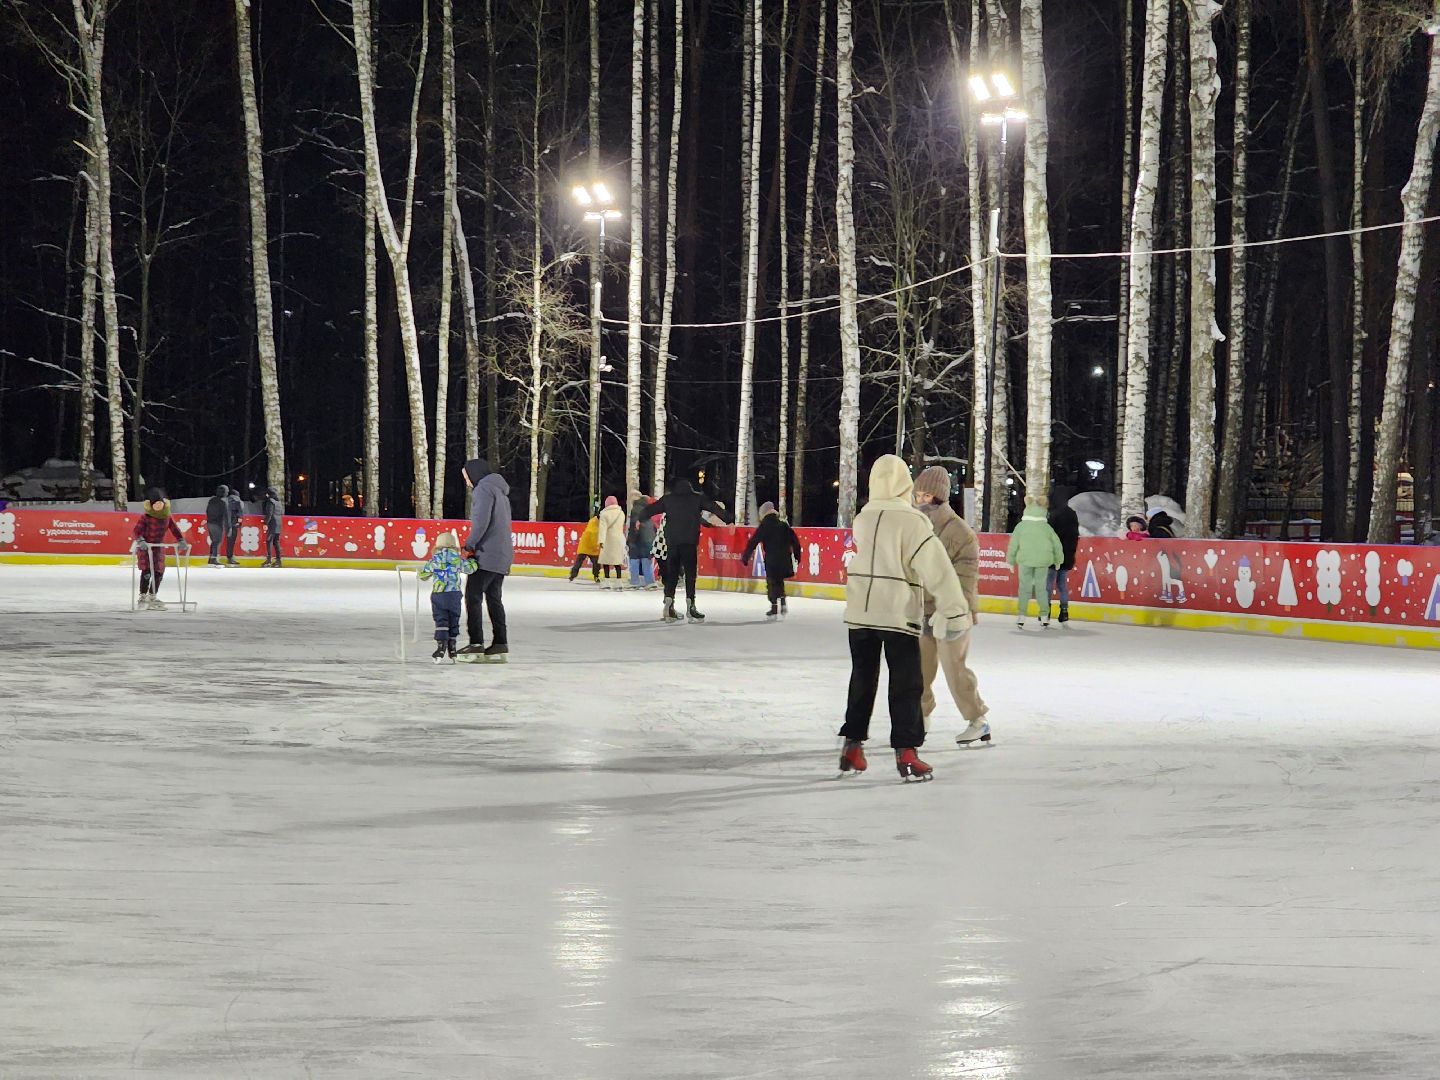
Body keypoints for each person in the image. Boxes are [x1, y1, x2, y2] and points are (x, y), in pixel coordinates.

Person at [838, 456, 971, 782]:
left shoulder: (862, 519)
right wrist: (955, 610)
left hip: (860, 614)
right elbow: (937, 569)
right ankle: (907, 753)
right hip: (897, 614)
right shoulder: (912, 522)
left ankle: (852, 747)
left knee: (862, 680)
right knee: (906, 684)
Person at [911, 466, 990, 747]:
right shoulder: (913, 525)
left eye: (927, 494)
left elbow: (967, 577)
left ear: (940, 497)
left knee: (954, 669)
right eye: (917, 493)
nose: (920, 499)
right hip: (923, 612)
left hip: (952, 613)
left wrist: (956, 611)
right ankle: (920, 717)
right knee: (919, 671)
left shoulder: (959, 531)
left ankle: (978, 720)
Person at [638, 476, 732, 623]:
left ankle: (669, 603)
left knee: (672, 575)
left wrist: (640, 518)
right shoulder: (697, 498)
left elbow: (649, 510)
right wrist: (729, 519)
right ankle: (691, 606)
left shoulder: (668, 499)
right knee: (690, 575)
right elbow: (713, 507)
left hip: (672, 542)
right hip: (689, 542)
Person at [458, 459, 514, 661]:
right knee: (493, 598)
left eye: (466, 477)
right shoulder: (499, 491)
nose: (467, 482)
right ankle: (500, 642)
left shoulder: (483, 490)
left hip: (488, 554)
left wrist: (469, 546)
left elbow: (481, 522)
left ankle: (476, 643)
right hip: (502, 554)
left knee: (472, 596)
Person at [418, 530, 477, 663]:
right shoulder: (457, 559)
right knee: (453, 619)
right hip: (454, 595)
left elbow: (423, 575)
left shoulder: (434, 560)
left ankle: (441, 646)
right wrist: (473, 560)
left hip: (438, 595)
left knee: (441, 620)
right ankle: (453, 647)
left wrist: (427, 574)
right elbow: (470, 569)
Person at [1006, 494, 1063, 629]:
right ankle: (1044, 617)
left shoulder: (1021, 526)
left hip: (1025, 560)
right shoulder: (1046, 527)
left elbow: (1013, 545)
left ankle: (1021, 616)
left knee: (1024, 588)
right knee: (1041, 589)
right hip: (1043, 561)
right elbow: (1057, 544)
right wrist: (1058, 560)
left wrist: (1010, 561)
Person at [741, 501, 802, 619]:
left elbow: (753, 541)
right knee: (780, 580)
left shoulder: (764, 526)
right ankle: (783, 600)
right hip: (784, 559)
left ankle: (774, 607)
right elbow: (795, 542)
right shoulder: (783, 525)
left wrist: (746, 556)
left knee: (772, 582)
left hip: (772, 560)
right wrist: (797, 556)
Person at [132, 489, 189, 610]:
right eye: (155, 504)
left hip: (158, 548)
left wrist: (181, 540)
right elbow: (136, 531)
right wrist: (141, 540)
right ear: (151, 505)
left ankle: (152, 596)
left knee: (159, 572)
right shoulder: (146, 517)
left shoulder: (167, 516)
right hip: (146, 548)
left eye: (160, 503)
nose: (158, 506)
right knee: (147, 572)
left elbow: (175, 529)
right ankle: (142, 596)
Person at [1047, 491, 1081, 624]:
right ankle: (1064, 611)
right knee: (1062, 584)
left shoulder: (1054, 515)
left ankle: (1046, 611)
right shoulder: (1072, 514)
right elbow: (1075, 535)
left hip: (1053, 555)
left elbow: (1049, 535)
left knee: (1048, 584)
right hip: (1067, 554)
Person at [597, 495, 628, 588]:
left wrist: (601, 541)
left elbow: (602, 529)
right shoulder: (621, 513)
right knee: (617, 561)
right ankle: (619, 582)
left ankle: (607, 581)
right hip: (618, 538)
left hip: (608, 539)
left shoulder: (604, 514)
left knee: (606, 561)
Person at [627, 491, 657, 589]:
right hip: (649, 538)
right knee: (646, 559)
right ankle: (650, 581)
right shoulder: (649, 509)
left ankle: (634, 581)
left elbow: (635, 525)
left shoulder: (635, 509)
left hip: (638, 539)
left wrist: (631, 540)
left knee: (634, 560)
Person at [569, 508, 601, 583]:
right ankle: (573, 575)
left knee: (593, 563)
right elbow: (592, 534)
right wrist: (596, 546)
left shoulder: (595, 521)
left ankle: (572, 575)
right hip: (589, 546)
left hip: (587, 545)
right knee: (592, 562)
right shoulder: (595, 523)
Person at [205, 484, 231, 566]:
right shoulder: (223, 503)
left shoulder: (211, 500)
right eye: (227, 492)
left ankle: (211, 558)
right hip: (217, 524)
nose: (227, 493)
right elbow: (226, 516)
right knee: (217, 541)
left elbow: (207, 511)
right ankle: (214, 559)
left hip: (210, 523)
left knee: (214, 541)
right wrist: (229, 528)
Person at [260, 487, 284, 568]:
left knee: (269, 541)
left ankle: (269, 560)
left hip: (272, 523)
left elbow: (269, 514)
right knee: (276, 542)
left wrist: (265, 523)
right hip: (279, 523)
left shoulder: (270, 501)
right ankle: (278, 560)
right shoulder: (278, 502)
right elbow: (282, 513)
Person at [224, 486, 244, 566]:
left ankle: (228, 557)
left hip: (226, 523)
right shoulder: (238, 501)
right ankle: (230, 558)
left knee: (228, 541)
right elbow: (240, 513)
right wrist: (239, 523)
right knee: (231, 542)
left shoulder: (225, 501)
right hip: (234, 523)